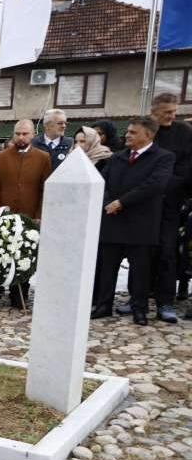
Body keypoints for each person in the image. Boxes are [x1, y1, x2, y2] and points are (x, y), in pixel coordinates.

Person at [91, 117, 174, 325]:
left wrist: (122, 202)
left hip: (141, 224)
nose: (127, 135)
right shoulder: (117, 158)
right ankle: (103, 305)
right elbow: (103, 182)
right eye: (127, 131)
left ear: (148, 135)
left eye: (133, 132)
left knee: (140, 271)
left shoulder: (163, 158)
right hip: (112, 221)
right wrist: (109, 202)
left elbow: (154, 185)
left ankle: (139, 309)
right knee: (107, 268)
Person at [0, 119, 52, 308]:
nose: (21, 137)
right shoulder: (0, 157)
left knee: (24, 255)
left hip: (29, 215)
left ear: (33, 135)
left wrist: (39, 214)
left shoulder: (43, 158)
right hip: (4, 215)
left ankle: (19, 293)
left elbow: (44, 188)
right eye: (18, 133)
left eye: (25, 133)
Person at [146, 93, 192, 323]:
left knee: (167, 252)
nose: (172, 116)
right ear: (154, 111)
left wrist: (165, 186)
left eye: (174, 112)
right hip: (143, 203)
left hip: (170, 202)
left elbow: (186, 168)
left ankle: (165, 302)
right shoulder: (143, 129)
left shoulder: (184, 132)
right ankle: (139, 298)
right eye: (167, 112)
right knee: (142, 253)